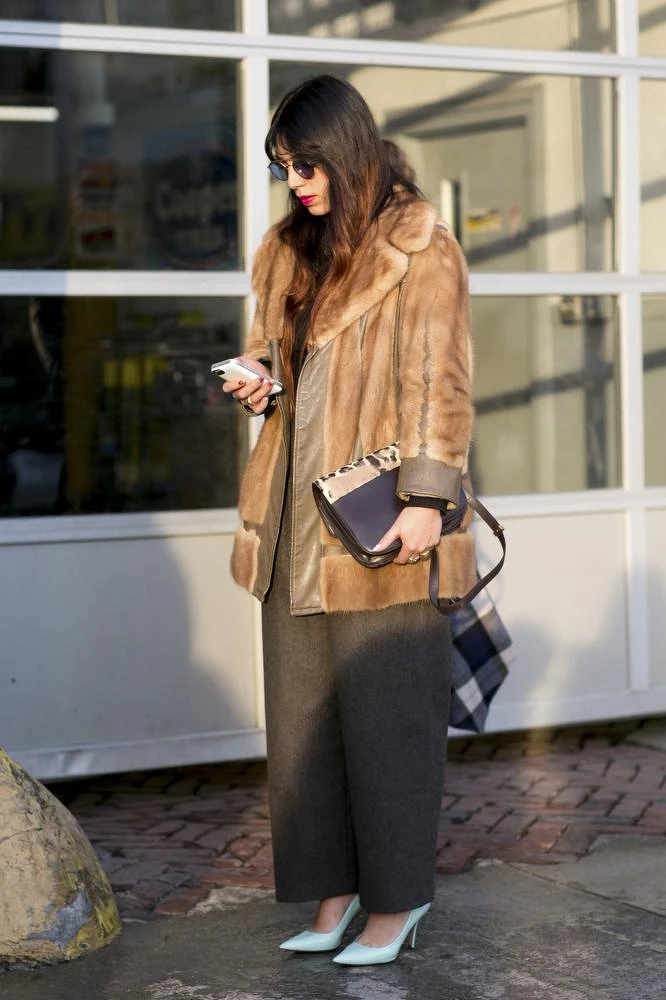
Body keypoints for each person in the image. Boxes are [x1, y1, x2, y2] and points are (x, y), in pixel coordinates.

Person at [222, 74, 475, 966]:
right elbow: (285, 366)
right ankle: (332, 895)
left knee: (387, 725)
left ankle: (395, 903)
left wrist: (427, 500)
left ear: (347, 149)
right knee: (305, 729)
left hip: (381, 525)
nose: (296, 183)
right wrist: (262, 382)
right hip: (293, 525)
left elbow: (441, 382)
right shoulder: (286, 251)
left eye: (307, 164)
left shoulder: (418, 246)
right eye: (284, 168)